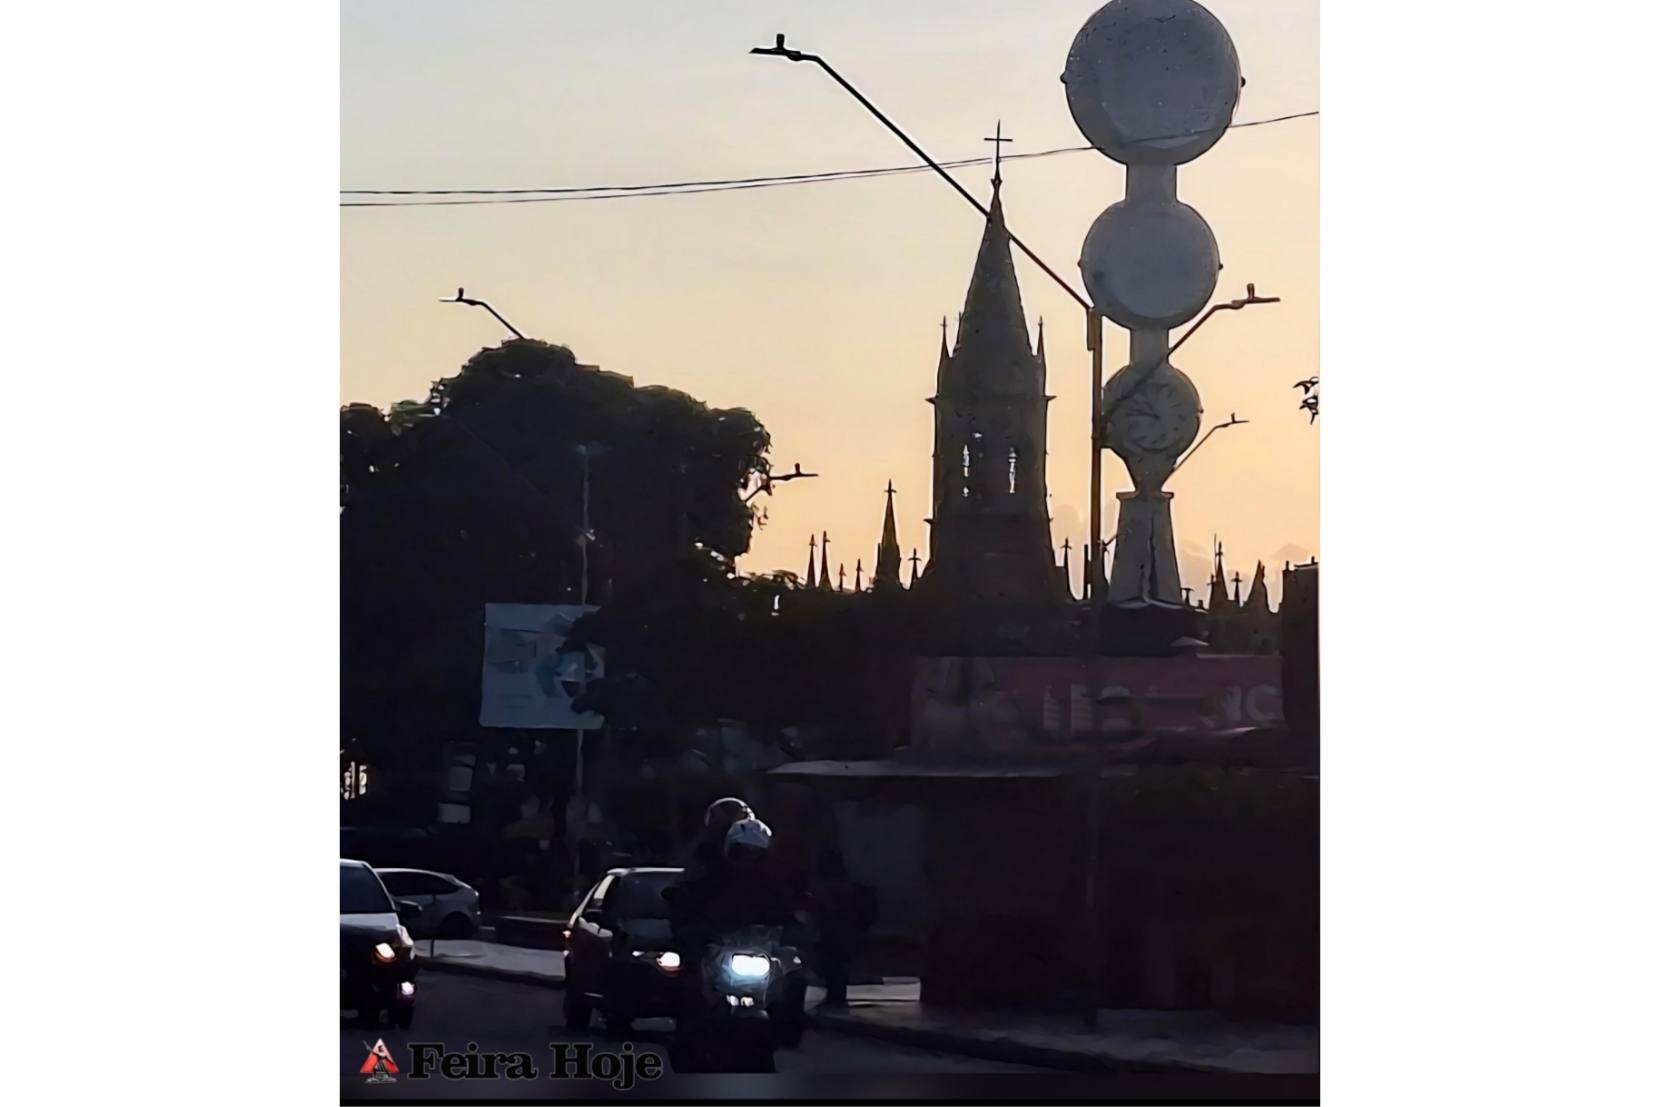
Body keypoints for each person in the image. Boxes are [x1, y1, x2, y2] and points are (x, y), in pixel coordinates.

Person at [808, 847, 874, 1009]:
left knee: (833, 967)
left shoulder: (829, 887)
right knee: (837, 968)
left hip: (833, 933)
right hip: (842, 933)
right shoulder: (845, 886)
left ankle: (835, 998)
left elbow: (825, 909)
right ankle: (836, 997)